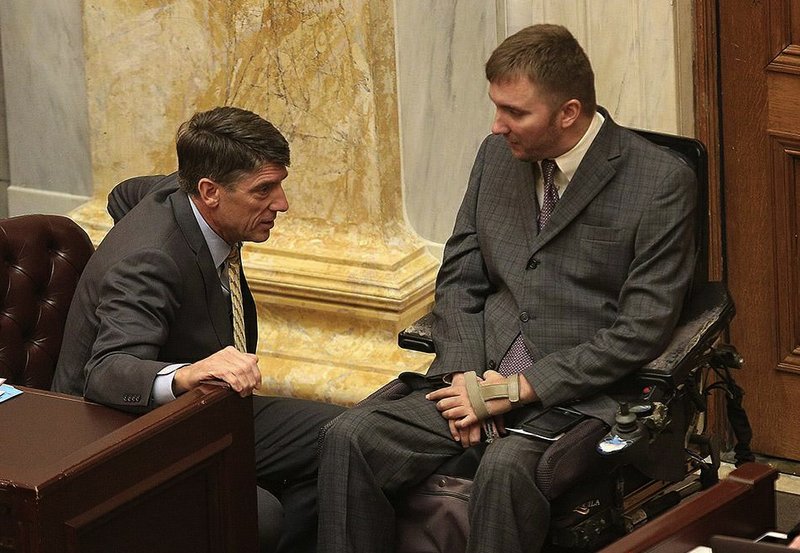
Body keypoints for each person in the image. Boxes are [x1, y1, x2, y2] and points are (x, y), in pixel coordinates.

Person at [317, 24, 697, 553]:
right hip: (478, 371)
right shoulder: (496, 157)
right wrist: (466, 373)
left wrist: (509, 392)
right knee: (350, 438)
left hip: (581, 394)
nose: (498, 126)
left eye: (515, 113)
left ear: (568, 112)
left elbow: (640, 330)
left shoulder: (660, 181)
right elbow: (460, 274)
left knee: (505, 470)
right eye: (496, 107)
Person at [52, 106, 344, 553]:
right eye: (264, 190)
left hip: (201, 411)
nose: (281, 203)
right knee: (258, 513)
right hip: (116, 435)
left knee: (346, 438)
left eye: (280, 184)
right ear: (210, 191)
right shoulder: (149, 260)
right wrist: (186, 373)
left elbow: (124, 193)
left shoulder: (183, 192)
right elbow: (106, 372)